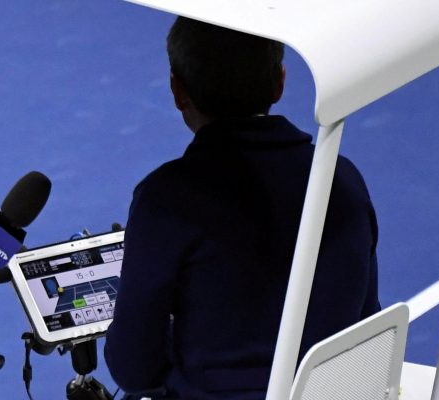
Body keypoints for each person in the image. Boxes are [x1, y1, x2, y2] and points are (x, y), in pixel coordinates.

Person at [104, 17, 380, 399]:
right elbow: (365, 323)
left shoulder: (165, 199)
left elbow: (133, 368)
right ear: (280, 82)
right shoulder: (343, 178)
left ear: (177, 91)